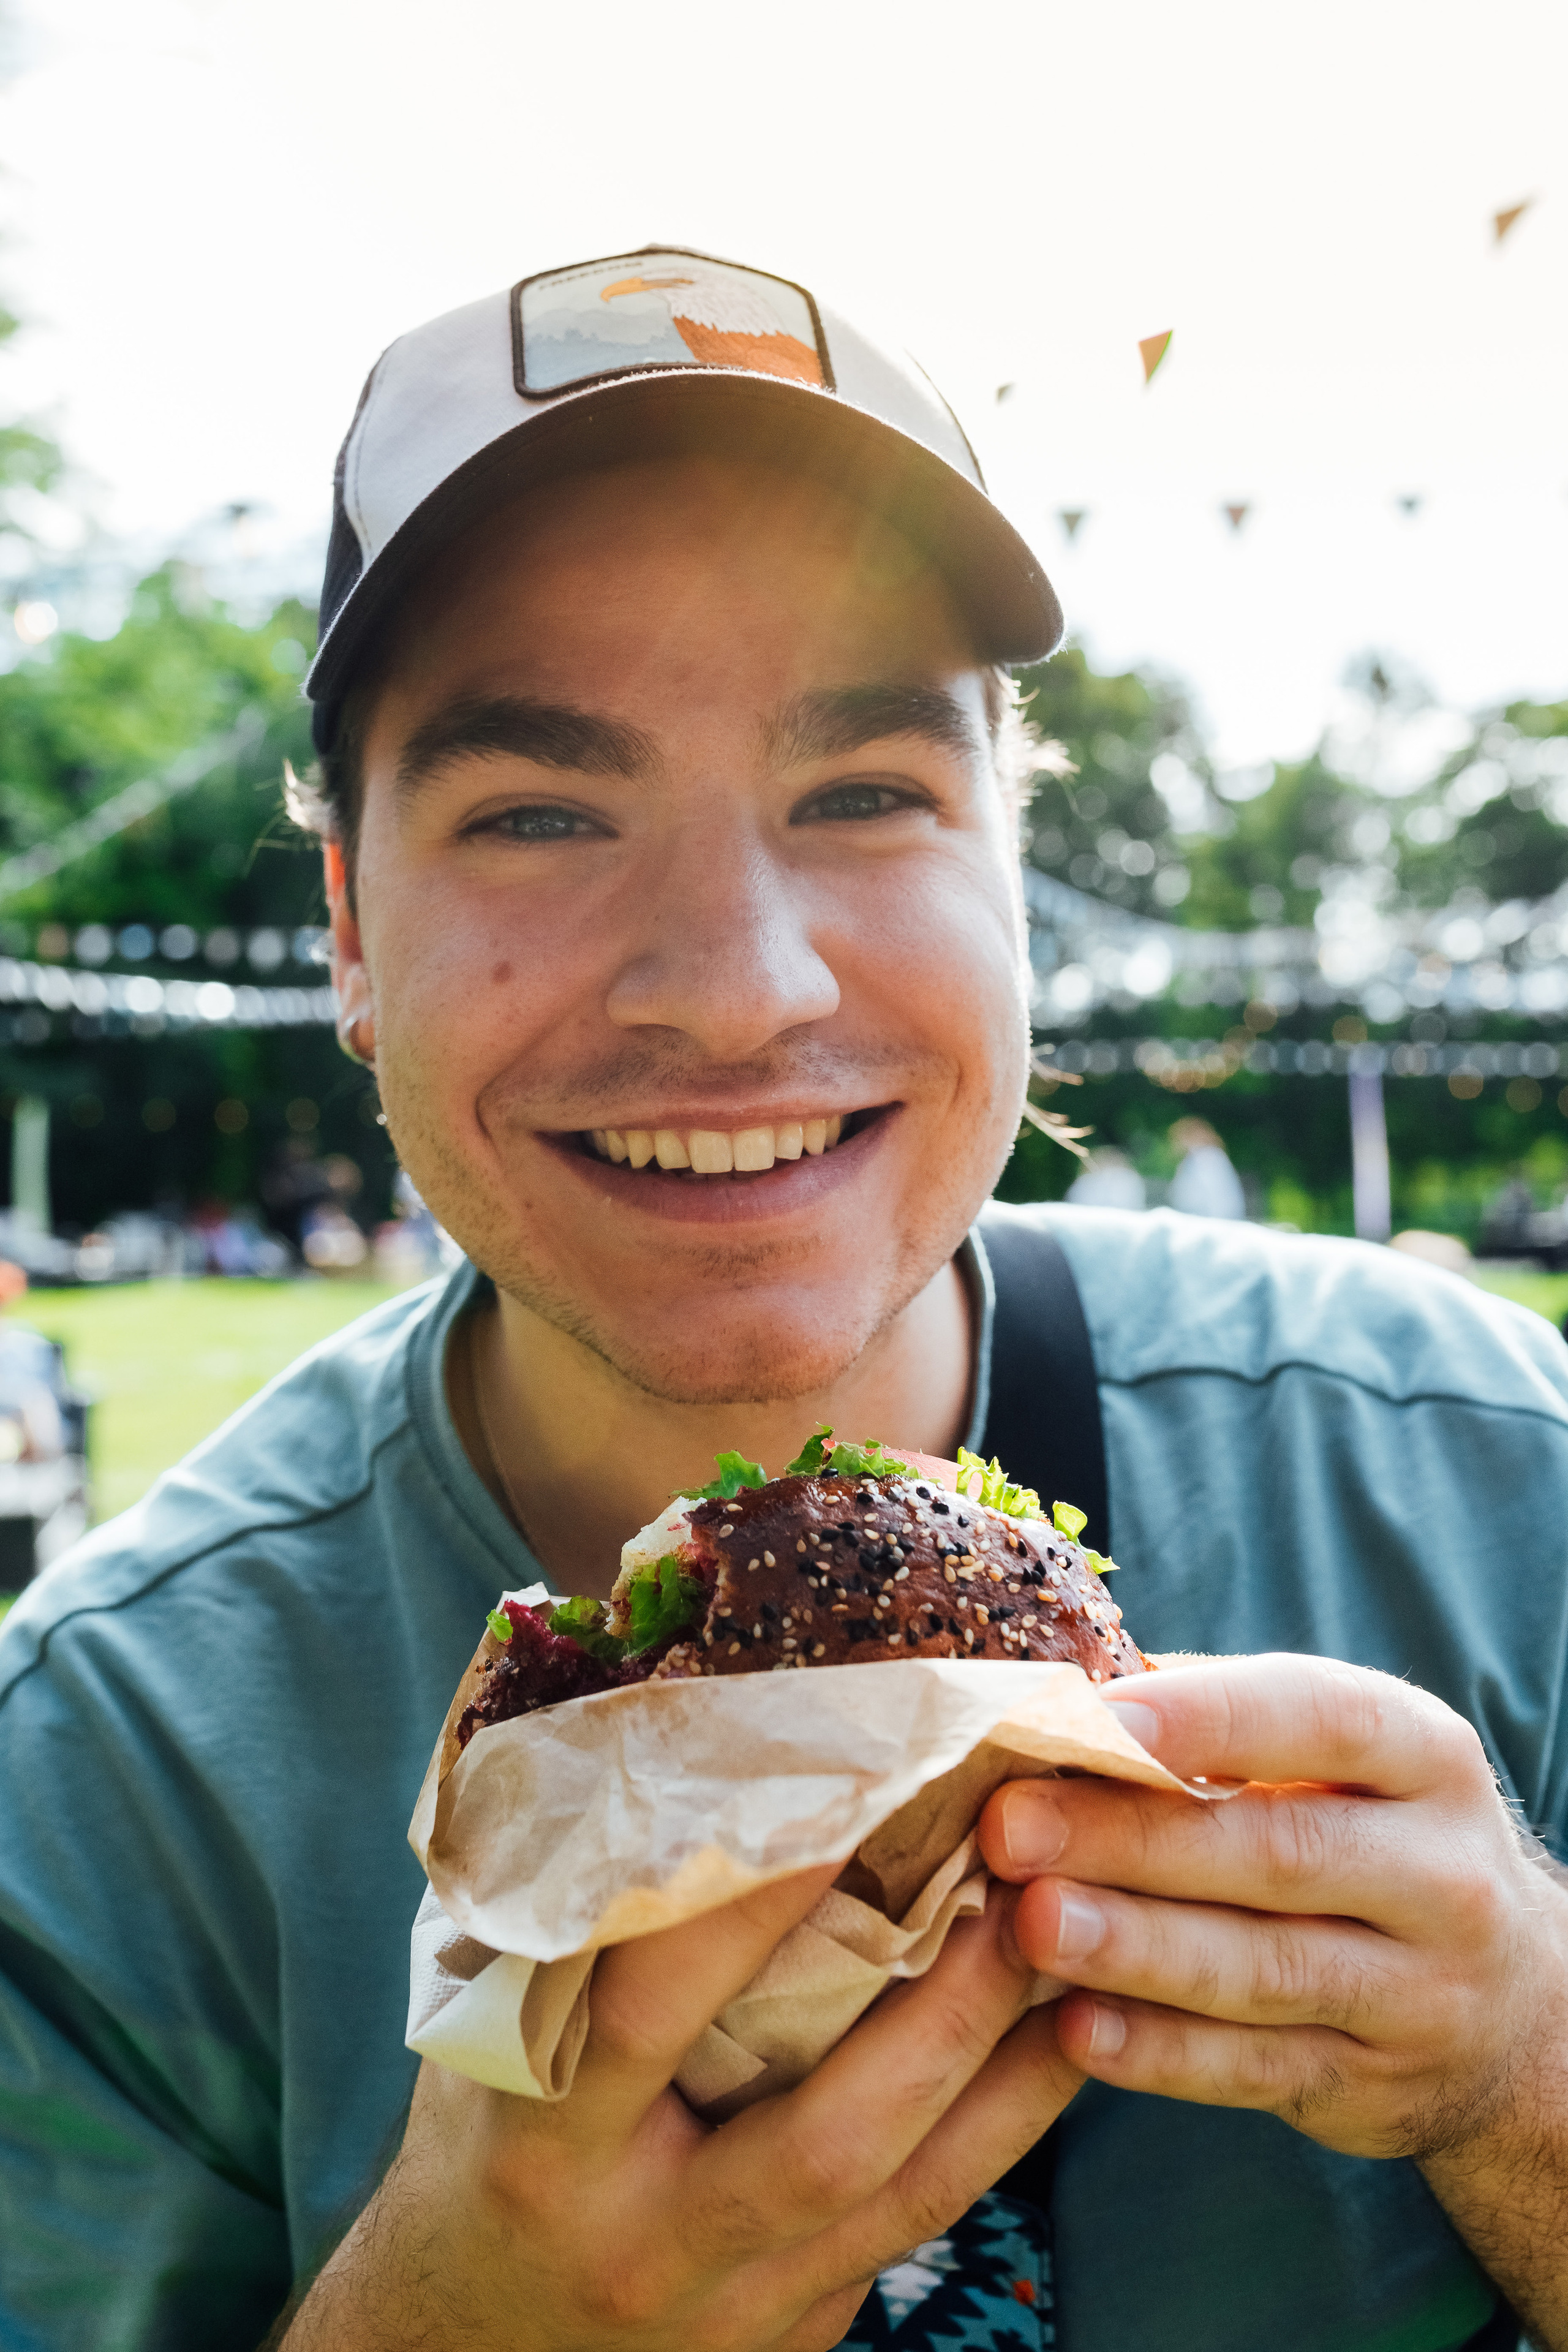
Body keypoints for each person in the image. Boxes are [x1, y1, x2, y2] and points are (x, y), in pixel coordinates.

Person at [1, 243, 1566, 2352]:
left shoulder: (1483, 1490)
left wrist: (1521, 2067)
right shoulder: (97, 1803)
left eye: (864, 797)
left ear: (1012, 863)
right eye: (541, 813)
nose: (740, 986)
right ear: (353, 937)